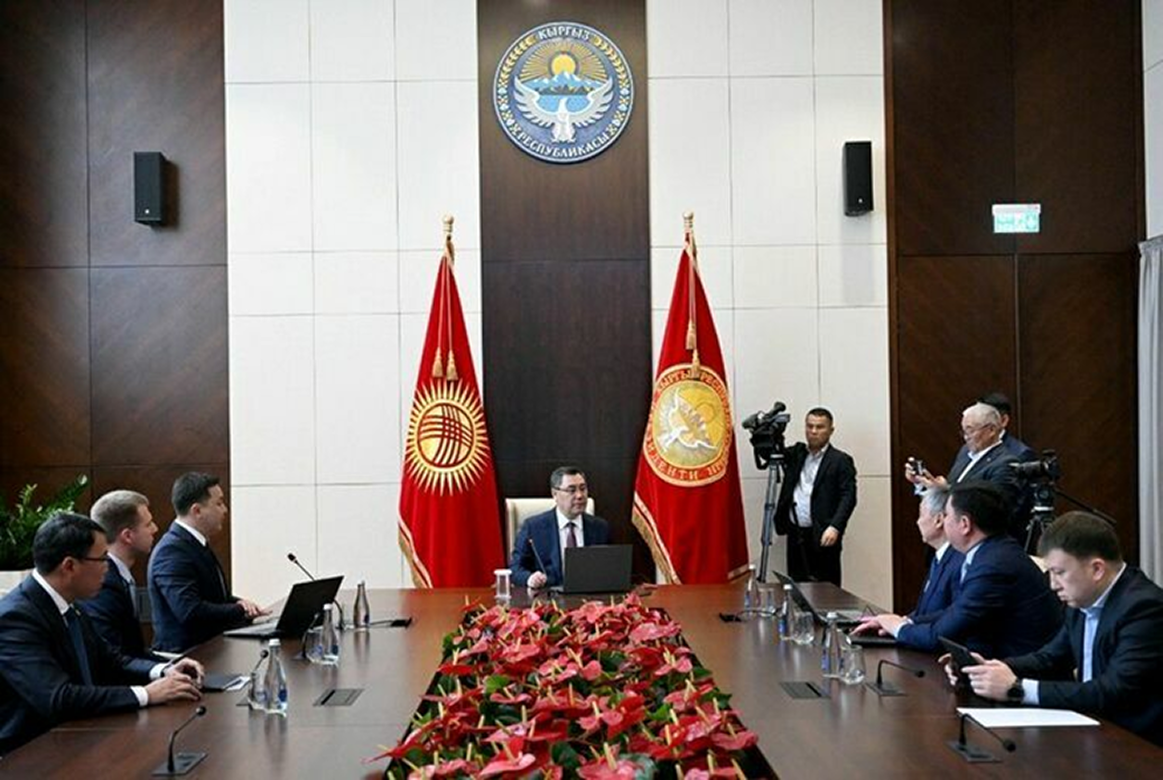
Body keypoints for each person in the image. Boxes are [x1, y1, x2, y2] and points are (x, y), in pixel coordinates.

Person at [947, 512, 1163, 746]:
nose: (1052, 585)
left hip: (1139, 746)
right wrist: (989, 670)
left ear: (1097, 569)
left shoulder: (1144, 608)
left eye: (1059, 573)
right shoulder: (1082, 598)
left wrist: (1017, 689)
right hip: (1094, 732)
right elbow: (1051, 659)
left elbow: (1114, 691)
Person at [0, 512, 204, 755]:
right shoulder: (15, 618)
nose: (107, 568)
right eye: (102, 559)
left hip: (81, 734)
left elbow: (110, 661)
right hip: (31, 753)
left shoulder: (71, 605)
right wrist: (146, 694)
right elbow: (58, 698)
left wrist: (163, 670)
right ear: (69, 566)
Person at [853, 481, 1061, 656]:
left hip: (1017, 673)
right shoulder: (992, 552)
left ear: (964, 524)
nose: (943, 522)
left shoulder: (993, 566)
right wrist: (905, 621)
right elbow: (956, 611)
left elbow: (938, 637)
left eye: (946, 515)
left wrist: (898, 628)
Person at [148, 473, 266, 652]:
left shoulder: (195, 543)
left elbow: (214, 598)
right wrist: (239, 609)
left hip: (210, 651)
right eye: (219, 503)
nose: (225, 510)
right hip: (185, 657)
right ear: (197, 511)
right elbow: (190, 611)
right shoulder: (171, 551)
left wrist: (242, 603)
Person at [773, 408, 857, 586]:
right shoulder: (796, 454)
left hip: (823, 532)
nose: (813, 431)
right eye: (810, 426)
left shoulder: (840, 460)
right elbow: (770, 454)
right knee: (797, 585)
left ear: (831, 430)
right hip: (796, 532)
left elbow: (848, 497)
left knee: (826, 588)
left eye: (820, 427)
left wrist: (835, 526)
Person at [77, 490, 156, 656]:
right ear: (127, 536)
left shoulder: (120, 575)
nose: (155, 529)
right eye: (148, 524)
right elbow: (112, 656)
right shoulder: (103, 583)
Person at [904, 402, 1021, 511]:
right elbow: (951, 489)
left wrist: (947, 490)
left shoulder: (1005, 463)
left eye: (970, 430)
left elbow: (994, 508)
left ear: (991, 430)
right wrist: (924, 483)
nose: (966, 437)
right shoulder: (965, 452)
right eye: (964, 431)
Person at [509, 466, 611, 589]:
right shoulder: (533, 528)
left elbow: (609, 569)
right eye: (571, 490)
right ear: (555, 494)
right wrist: (530, 579)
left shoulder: (600, 528)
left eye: (583, 488)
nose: (580, 495)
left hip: (588, 596)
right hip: (548, 596)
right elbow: (515, 569)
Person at [909, 486, 963, 621]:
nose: (918, 522)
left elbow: (953, 615)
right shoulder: (938, 558)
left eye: (921, 515)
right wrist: (901, 621)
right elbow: (923, 612)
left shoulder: (959, 562)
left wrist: (904, 625)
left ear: (938, 520)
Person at [977, 391, 1037, 462]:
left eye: (981, 417)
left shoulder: (1020, 454)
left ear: (1003, 420)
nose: (975, 421)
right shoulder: (969, 448)